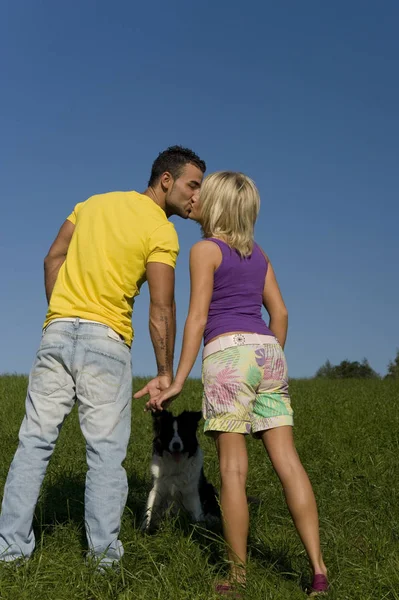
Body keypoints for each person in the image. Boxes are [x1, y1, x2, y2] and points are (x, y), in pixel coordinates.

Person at [0, 145, 206, 569]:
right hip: (107, 342)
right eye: (193, 185)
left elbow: (52, 257)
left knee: (33, 445)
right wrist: (165, 373)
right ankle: (103, 562)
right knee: (106, 455)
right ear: (166, 180)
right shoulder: (162, 231)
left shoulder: (91, 205)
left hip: (55, 334)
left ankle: (10, 551)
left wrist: (62, 311)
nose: (196, 197)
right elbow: (162, 307)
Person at [137, 171, 329, 596]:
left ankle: (238, 578)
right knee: (289, 463)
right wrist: (269, 355)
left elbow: (198, 318)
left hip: (228, 354)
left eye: (205, 194)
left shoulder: (205, 249)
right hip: (268, 352)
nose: (197, 198)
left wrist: (178, 377)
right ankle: (318, 569)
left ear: (218, 205)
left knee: (232, 471)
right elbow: (279, 313)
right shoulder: (259, 255)